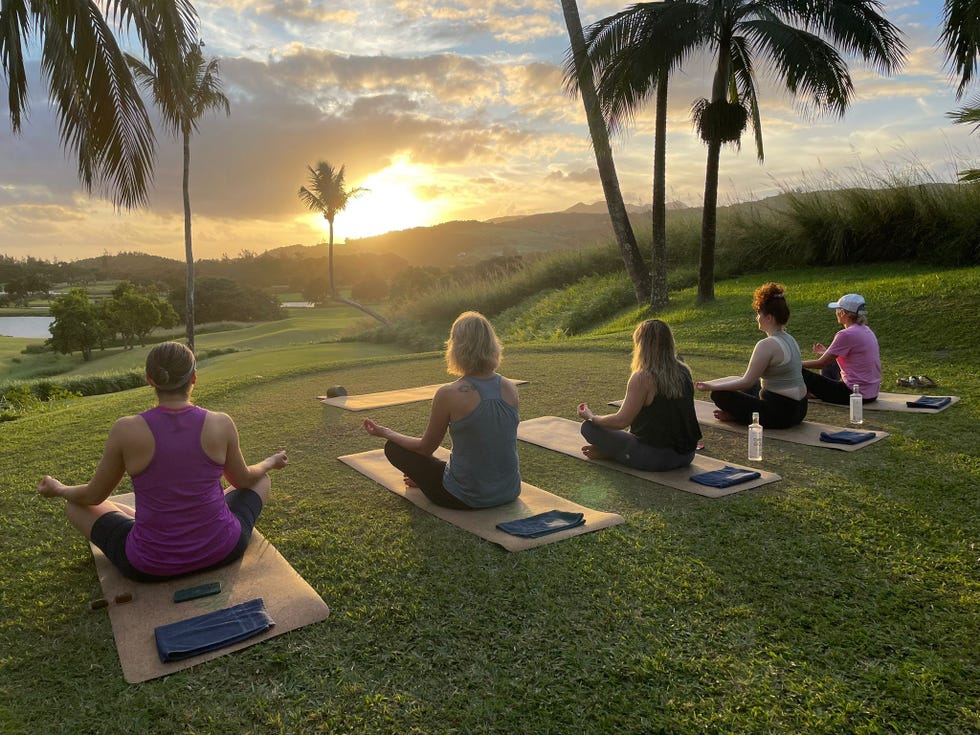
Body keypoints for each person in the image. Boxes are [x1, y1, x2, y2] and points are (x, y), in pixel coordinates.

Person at [37, 341, 288, 583]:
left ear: (150, 379)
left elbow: (93, 496)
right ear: (194, 378)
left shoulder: (126, 429)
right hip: (223, 549)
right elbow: (243, 480)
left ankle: (149, 522)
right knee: (261, 480)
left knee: (75, 505)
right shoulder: (221, 423)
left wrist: (59, 489)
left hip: (150, 565)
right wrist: (270, 461)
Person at [363, 311, 521, 509]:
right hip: (509, 491)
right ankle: (427, 478)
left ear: (456, 347)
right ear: (492, 344)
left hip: (465, 497)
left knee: (394, 447)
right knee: (445, 464)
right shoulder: (510, 387)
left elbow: (425, 448)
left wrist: (385, 432)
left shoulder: (448, 393)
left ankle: (424, 480)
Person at [577, 319, 701, 471]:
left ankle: (612, 453)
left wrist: (591, 417)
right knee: (627, 436)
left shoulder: (643, 377)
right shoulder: (684, 370)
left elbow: (620, 421)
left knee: (589, 428)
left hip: (655, 459)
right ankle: (614, 452)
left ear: (641, 345)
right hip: (686, 455)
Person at [695, 282, 808, 429]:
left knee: (719, 395)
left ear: (769, 318)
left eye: (759, 313)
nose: (757, 317)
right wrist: (712, 383)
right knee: (752, 385)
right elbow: (747, 380)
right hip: (800, 409)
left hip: (781, 414)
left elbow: (746, 382)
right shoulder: (790, 339)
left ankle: (737, 415)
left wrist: (712, 387)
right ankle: (737, 414)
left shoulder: (766, 345)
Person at [801, 293, 881, 403]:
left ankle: (808, 393)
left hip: (853, 394)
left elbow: (821, 363)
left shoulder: (845, 334)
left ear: (843, 313)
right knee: (831, 363)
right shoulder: (867, 330)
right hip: (871, 394)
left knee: (799, 371)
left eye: (837, 309)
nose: (836, 313)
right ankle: (817, 392)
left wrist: (796, 364)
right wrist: (826, 352)